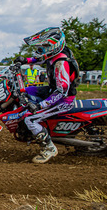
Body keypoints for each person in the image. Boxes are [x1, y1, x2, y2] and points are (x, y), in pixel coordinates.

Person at [14, 26, 79, 164]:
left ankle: (49, 148)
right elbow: (41, 59)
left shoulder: (61, 64)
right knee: (26, 90)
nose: (40, 50)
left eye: (43, 47)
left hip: (63, 100)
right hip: (52, 89)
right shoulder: (56, 53)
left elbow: (62, 91)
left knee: (30, 119)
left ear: (52, 46)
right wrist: (26, 60)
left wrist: (40, 105)